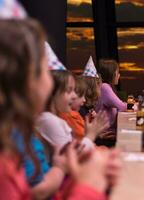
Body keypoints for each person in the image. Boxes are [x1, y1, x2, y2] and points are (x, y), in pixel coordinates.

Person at [0, 19, 116, 200]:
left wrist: (75, 173)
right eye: (46, 69)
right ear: (27, 80)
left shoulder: (20, 133)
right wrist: (88, 184)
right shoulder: (7, 158)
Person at [96, 59, 127, 147]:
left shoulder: (106, 87)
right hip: (105, 136)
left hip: (110, 132)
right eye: (117, 72)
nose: (119, 75)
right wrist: (137, 106)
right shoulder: (105, 87)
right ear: (111, 74)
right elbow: (122, 106)